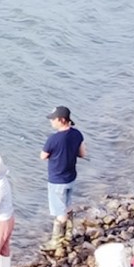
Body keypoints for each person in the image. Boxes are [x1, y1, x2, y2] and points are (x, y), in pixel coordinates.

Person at [40, 105, 86, 252]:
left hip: (56, 180)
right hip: (71, 177)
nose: (51, 122)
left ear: (62, 120)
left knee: (59, 212)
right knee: (67, 204)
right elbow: (82, 153)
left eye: (53, 119)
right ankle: (68, 235)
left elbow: (43, 156)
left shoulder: (53, 139)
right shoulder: (77, 134)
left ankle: (56, 242)